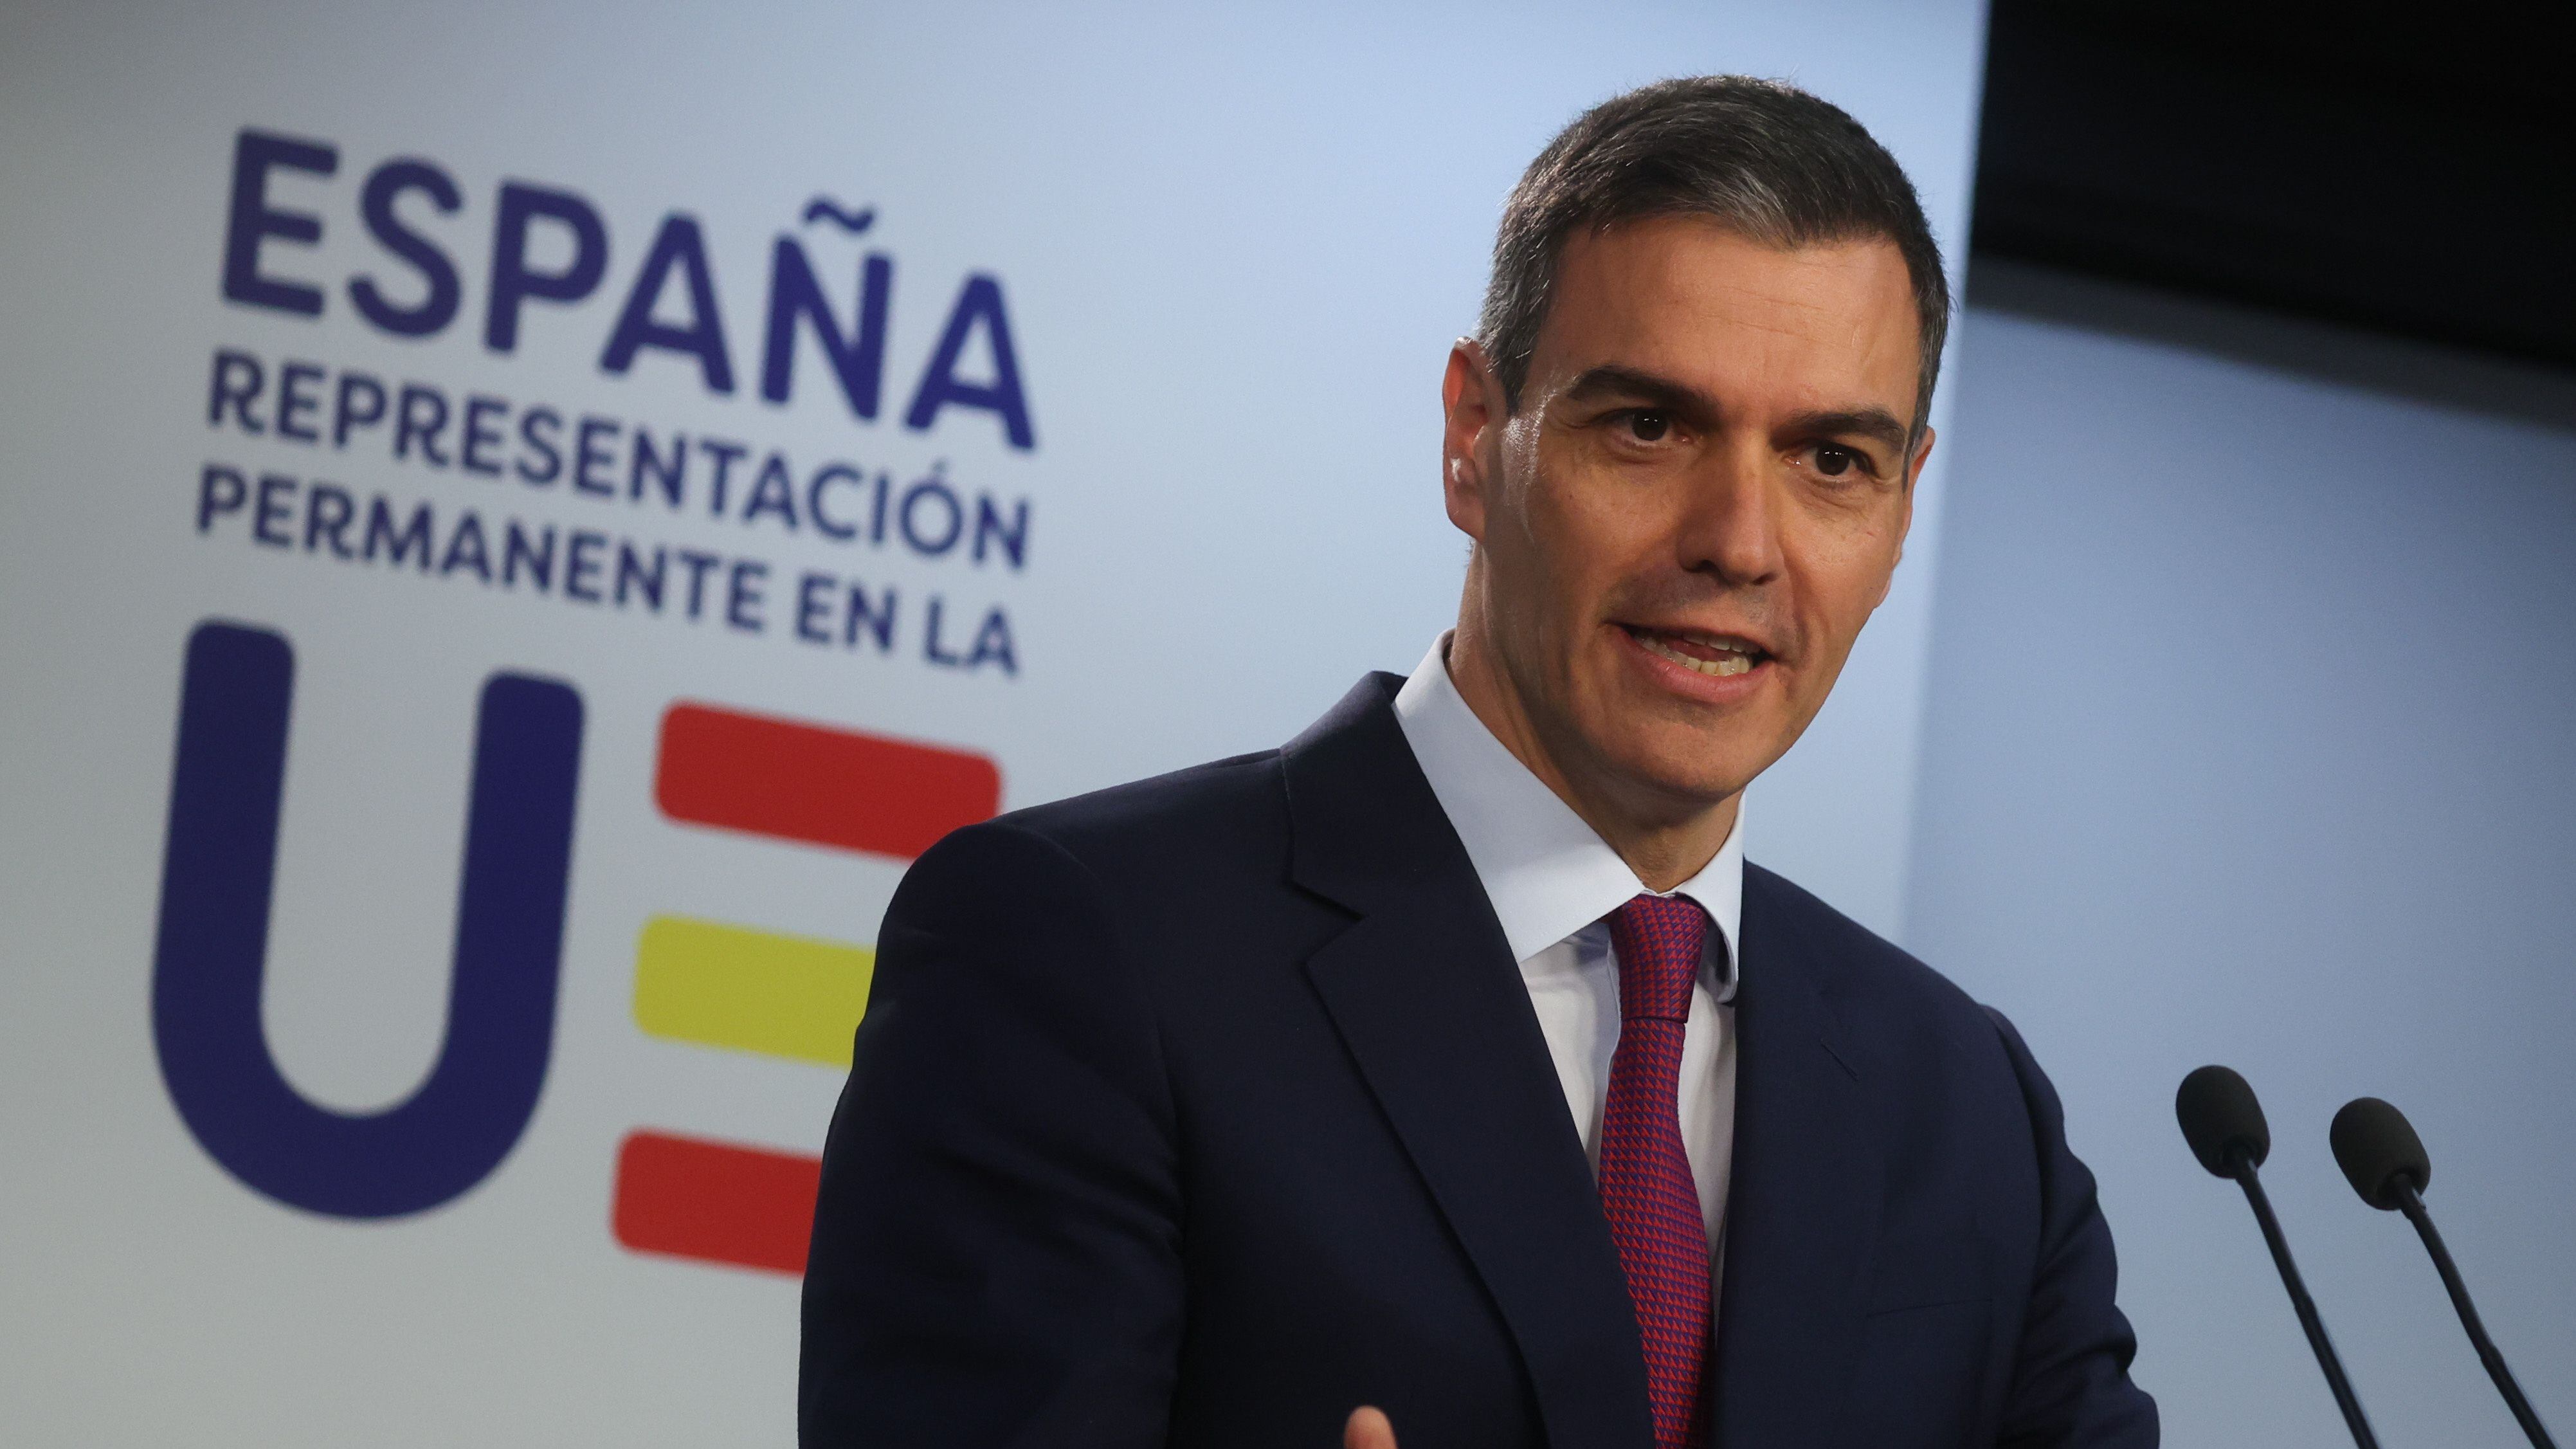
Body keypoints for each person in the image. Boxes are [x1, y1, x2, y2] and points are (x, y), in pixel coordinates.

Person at [799, 76, 2157, 1449]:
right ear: (1471, 433)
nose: (1739, 540)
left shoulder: (1968, 1113)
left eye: (1828, 457)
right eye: (1648, 427)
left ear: (1902, 502)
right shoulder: (1082, 951)